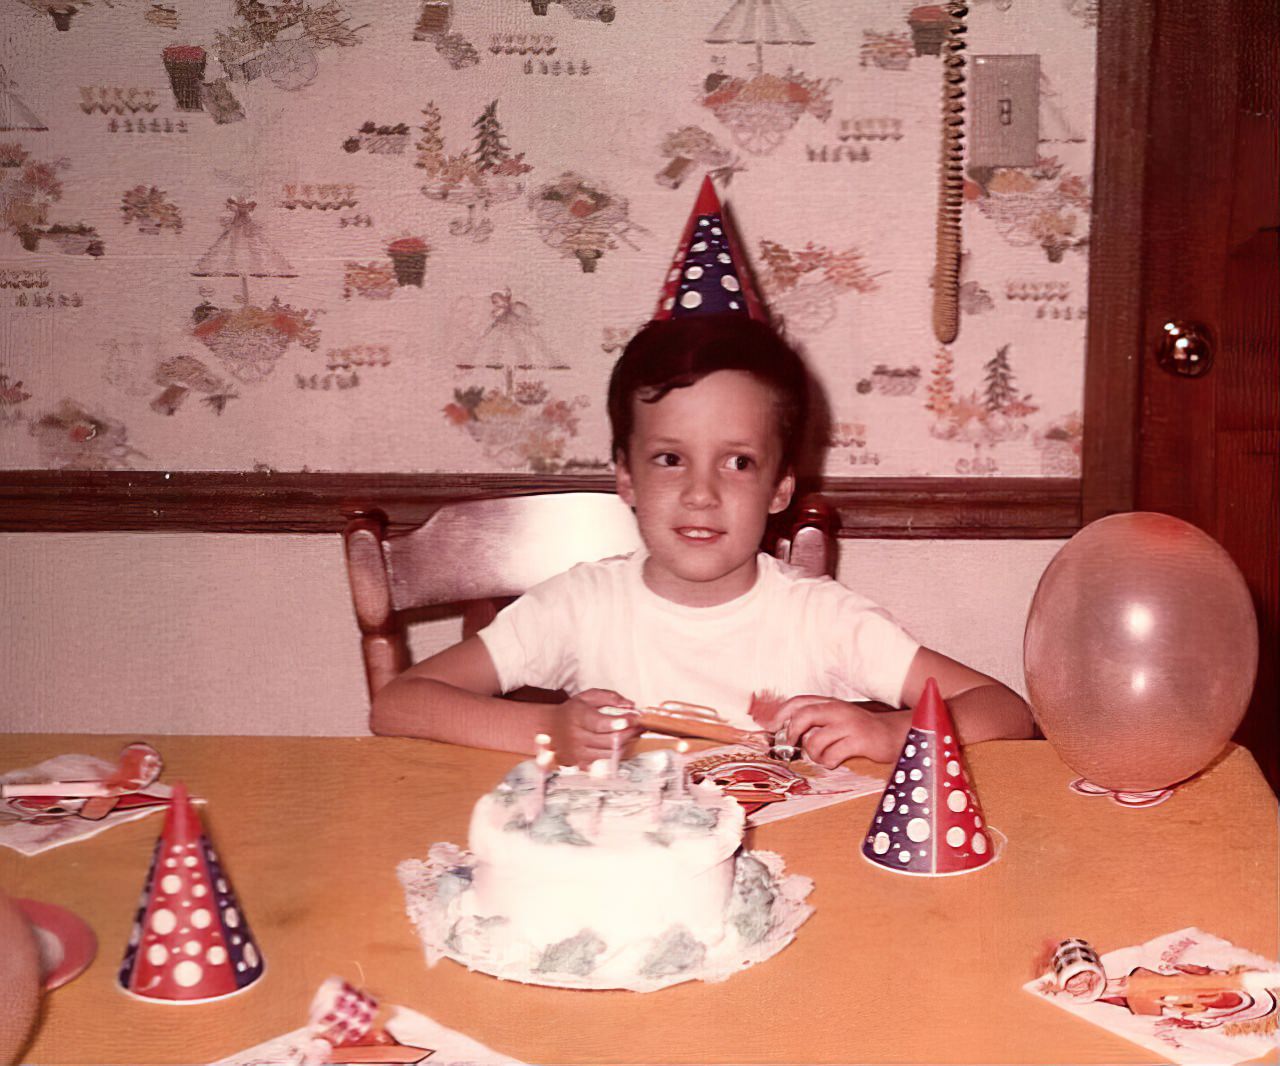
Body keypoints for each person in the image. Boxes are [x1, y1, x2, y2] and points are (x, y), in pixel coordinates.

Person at [371, 178, 1034, 766]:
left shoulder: (821, 620)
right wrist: (547, 729)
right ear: (625, 477)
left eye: (738, 462)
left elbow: (1003, 711)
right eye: (669, 459)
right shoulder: (582, 608)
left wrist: (892, 735)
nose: (700, 492)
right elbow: (399, 706)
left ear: (781, 488)